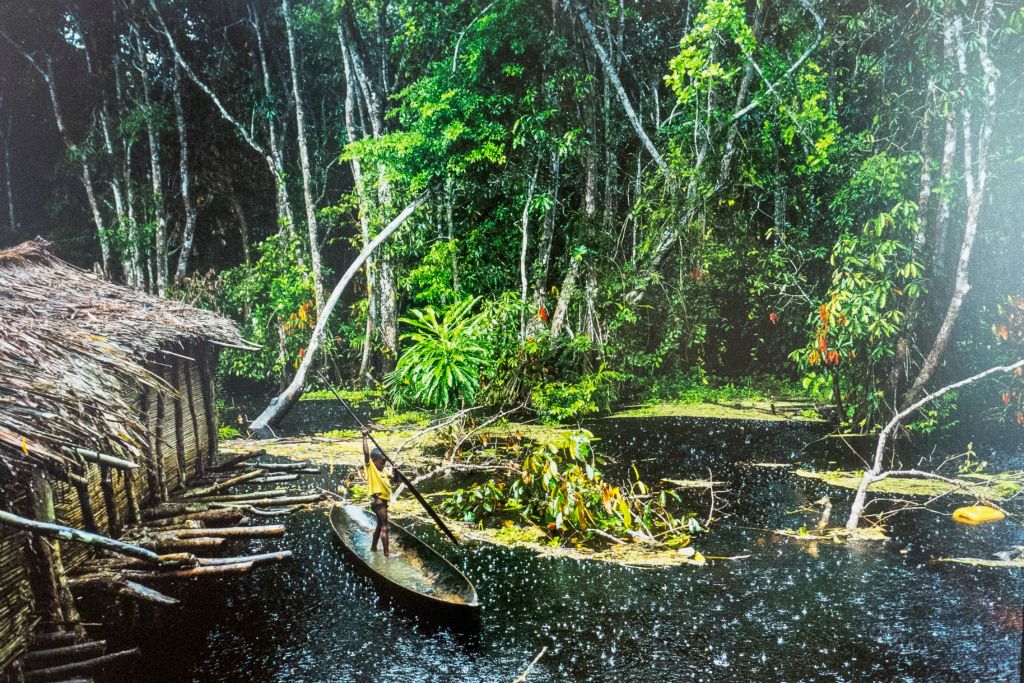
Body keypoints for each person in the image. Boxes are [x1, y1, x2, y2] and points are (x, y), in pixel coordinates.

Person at [362, 426, 394, 557]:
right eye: (381, 462)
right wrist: (364, 437)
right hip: (378, 502)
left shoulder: (384, 470)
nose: (383, 464)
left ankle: (373, 548)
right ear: (374, 461)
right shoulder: (371, 468)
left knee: (379, 526)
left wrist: (396, 470)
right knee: (385, 527)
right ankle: (387, 554)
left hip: (384, 502)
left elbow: (395, 480)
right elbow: (365, 454)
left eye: (385, 462)